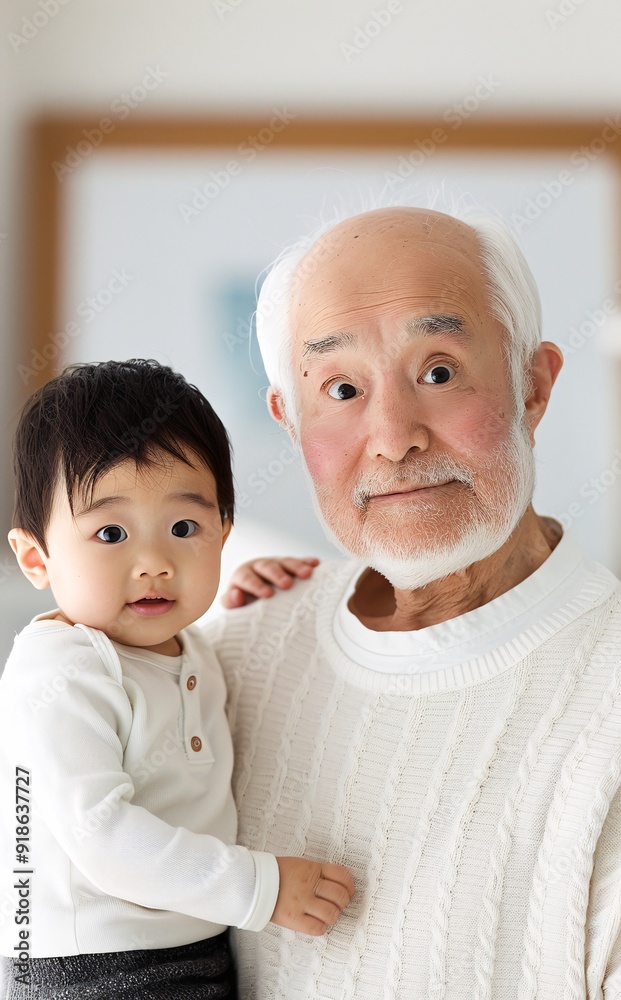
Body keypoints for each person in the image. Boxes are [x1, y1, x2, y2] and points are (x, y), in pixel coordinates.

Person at [205, 204, 621, 999]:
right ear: (289, 422)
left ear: (532, 386)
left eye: (437, 371)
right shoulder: (235, 652)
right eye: (341, 387)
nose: (394, 437)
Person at [0, 359, 355, 999]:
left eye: (185, 528)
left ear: (224, 534)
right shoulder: (60, 671)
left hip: (194, 944)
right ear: (37, 558)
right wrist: (261, 887)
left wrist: (252, 597)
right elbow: (101, 836)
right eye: (111, 533)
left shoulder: (188, 648)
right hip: (93, 965)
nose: (155, 564)